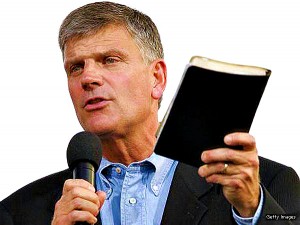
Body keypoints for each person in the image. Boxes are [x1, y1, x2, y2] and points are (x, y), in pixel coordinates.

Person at [0, 1, 299, 225]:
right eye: (75, 67)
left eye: (109, 60)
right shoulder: (19, 212)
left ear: (156, 78)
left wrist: (252, 209)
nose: (87, 78)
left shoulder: (268, 185)